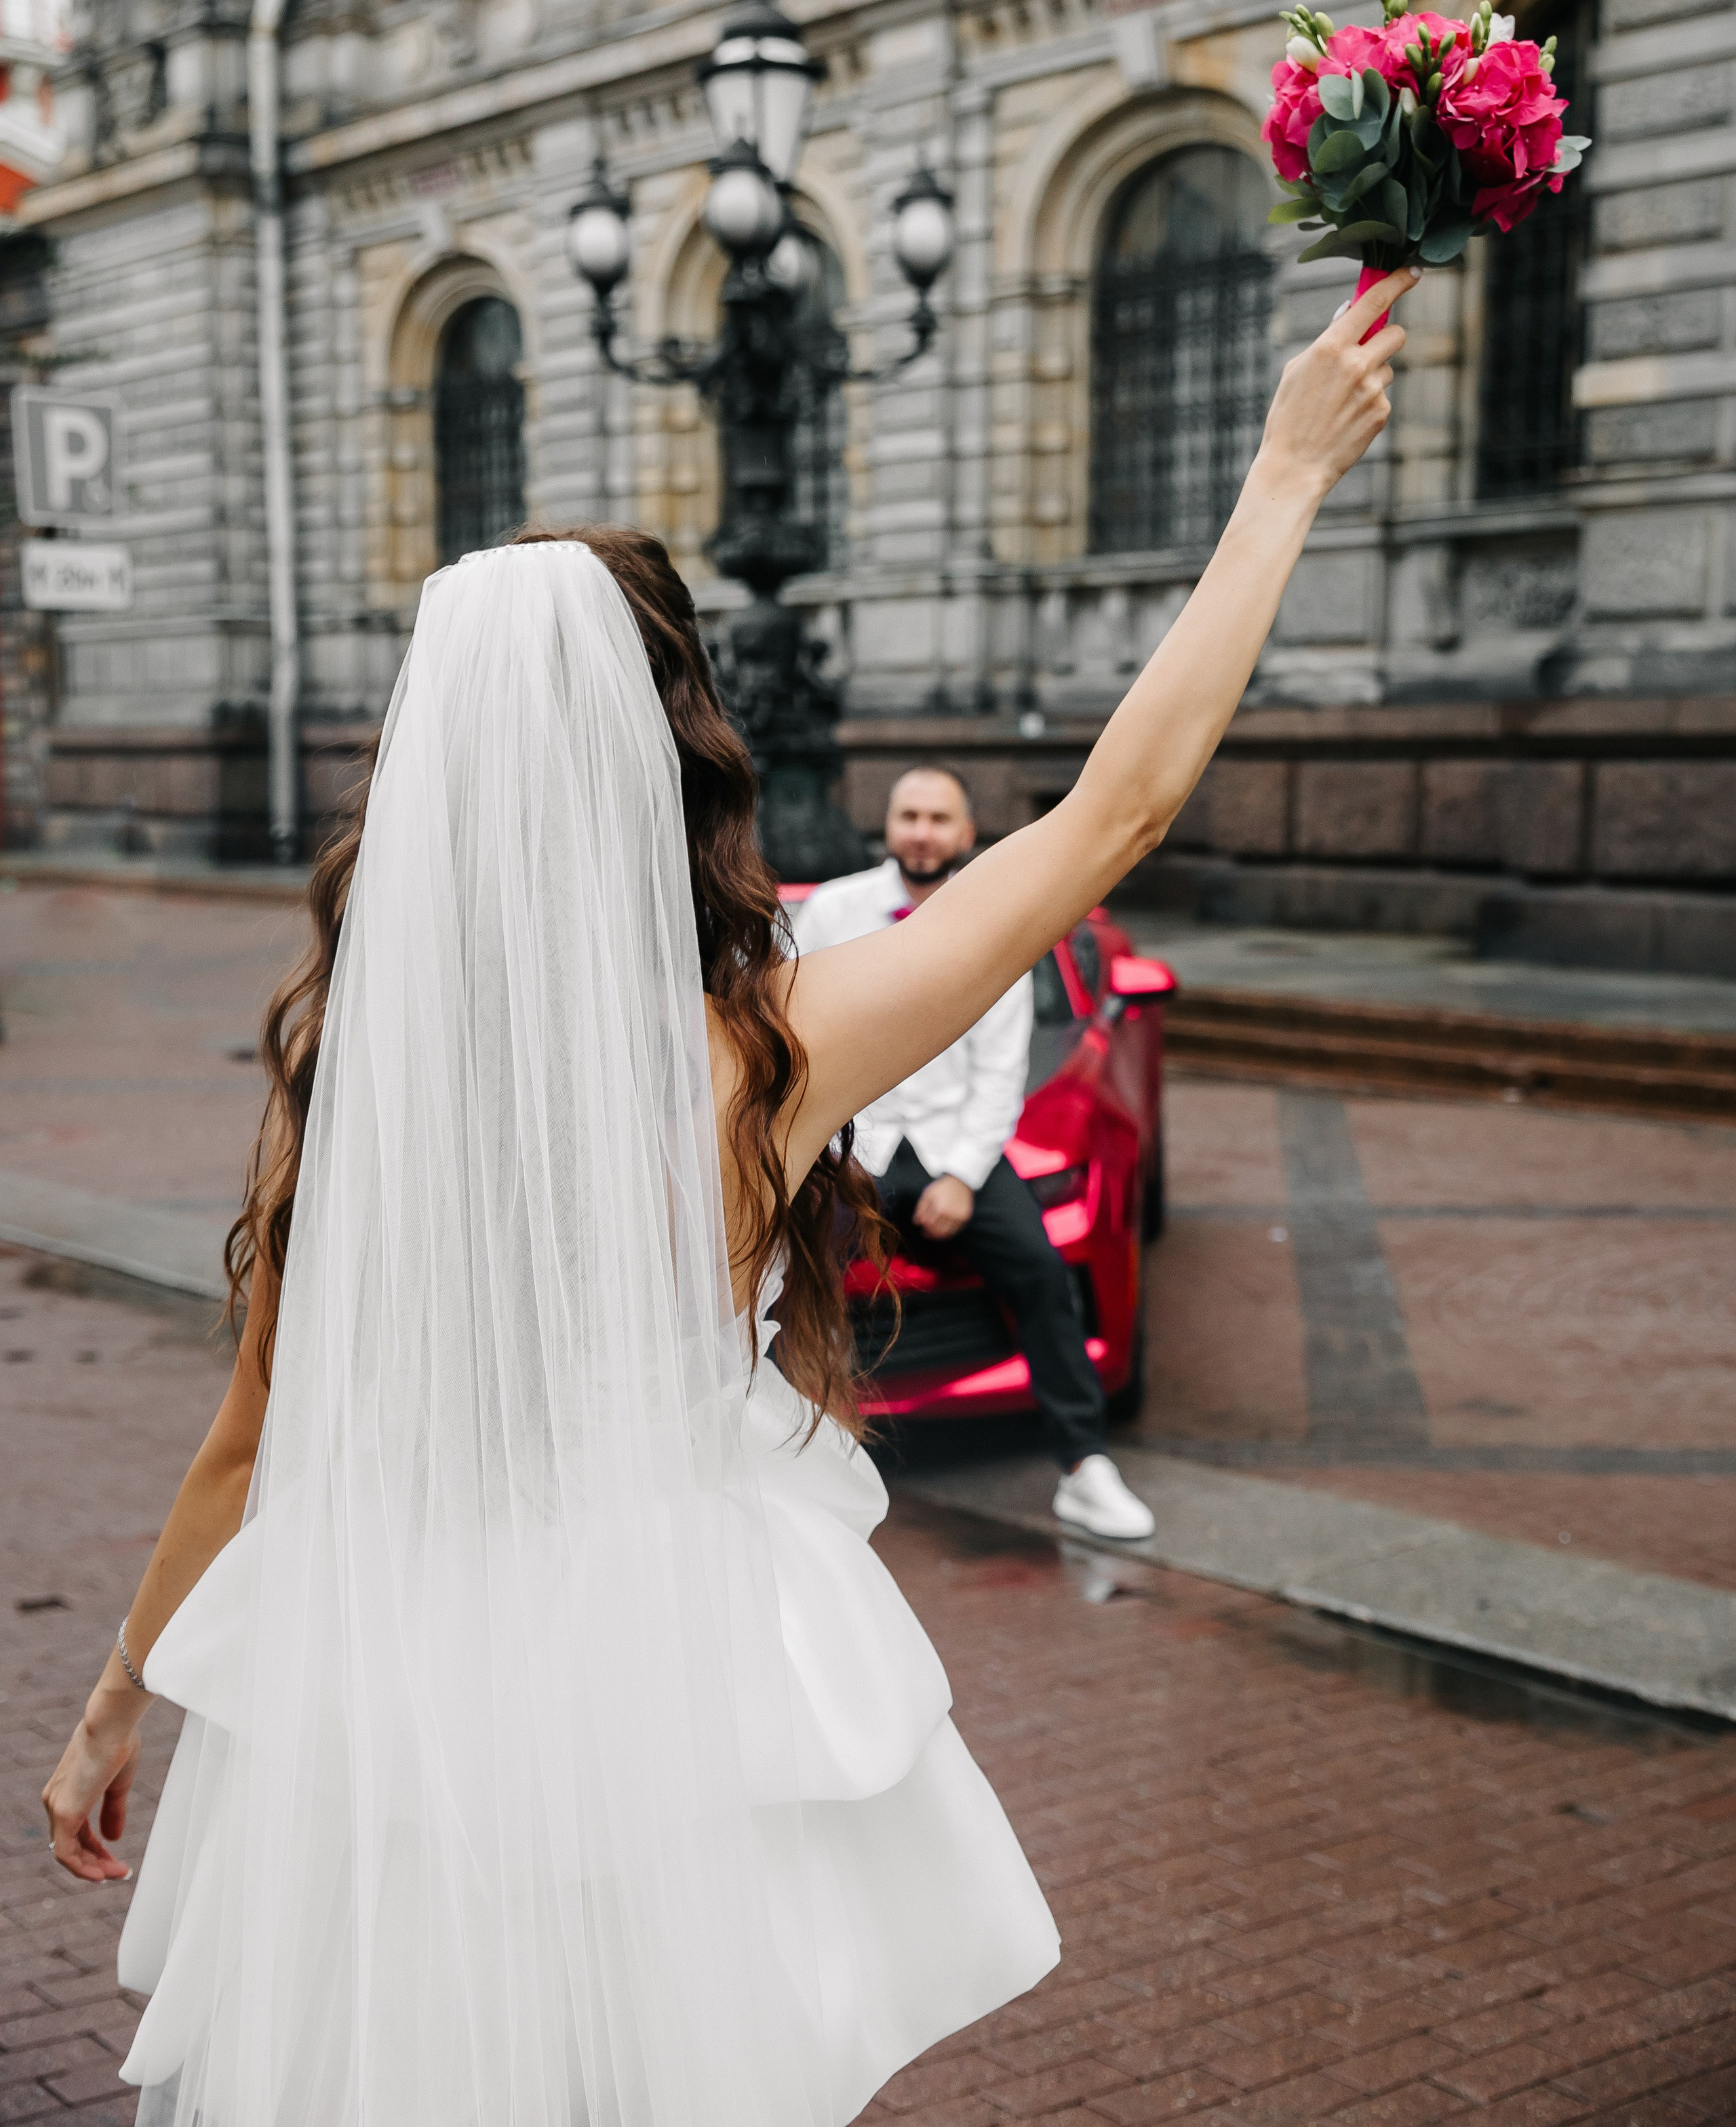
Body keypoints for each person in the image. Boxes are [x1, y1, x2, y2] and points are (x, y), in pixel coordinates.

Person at [41, 268, 1413, 2127]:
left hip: (395, 1727)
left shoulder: (348, 1089)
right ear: (667, 748)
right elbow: (1111, 817)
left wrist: (119, 1696)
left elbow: (242, 1443)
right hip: (661, 1704)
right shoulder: (772, 1050)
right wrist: (1282, 479)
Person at [790, 767, 1156, 1542]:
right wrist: (828, 1152)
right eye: (909, 815)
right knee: (784, 1275)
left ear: (965, 834)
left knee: (1041, 1270)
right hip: (852, 1145)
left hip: (956, 1148)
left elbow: (1001, 1070)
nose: (921, 830)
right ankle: (800, 1453)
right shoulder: (832, 911)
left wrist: (962, 1175)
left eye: (938, 818)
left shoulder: (998, 923)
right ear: (887, 826)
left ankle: (1083, 1467)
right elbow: (801, 1037)